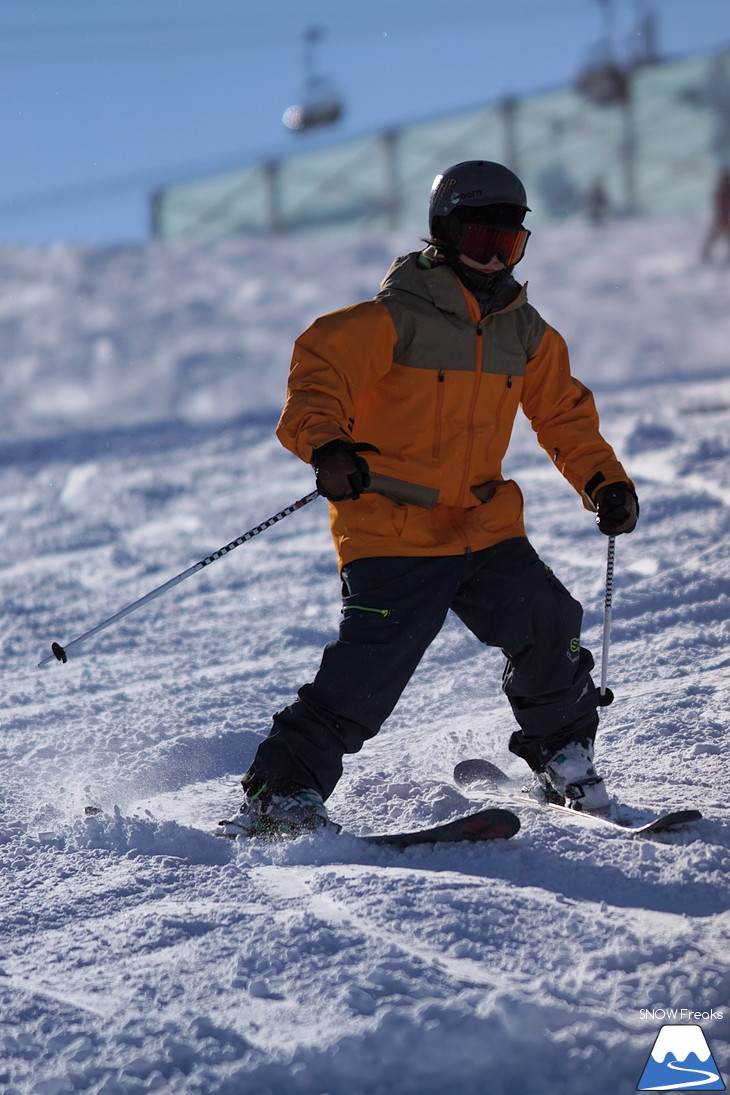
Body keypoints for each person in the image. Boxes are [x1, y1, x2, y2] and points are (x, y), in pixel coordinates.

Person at [221, 160, 639, 839]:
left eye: (509, 248)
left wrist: (604, 480)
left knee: (545, 618)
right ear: (444, 235)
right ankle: (281, 790)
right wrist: (328, 446)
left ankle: (563, 752)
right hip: (393, 526)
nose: (494, 260)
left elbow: (564, 414)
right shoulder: (395, 319)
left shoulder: (523, 330)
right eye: (481, 243)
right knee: (369, 672)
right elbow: (318, 372)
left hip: (481, 522)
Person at [701, 168, 730, 263]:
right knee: (713, 237)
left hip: (725, 218)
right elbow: (719, 205)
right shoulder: (720, 192)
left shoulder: (724, 192)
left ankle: (705, 253)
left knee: (720, 236)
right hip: (721, 218)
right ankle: (705, 253)